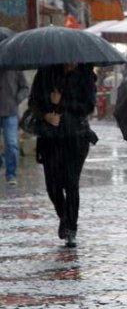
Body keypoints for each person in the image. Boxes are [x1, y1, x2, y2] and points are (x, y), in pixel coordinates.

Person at [27, 63, 98, 248]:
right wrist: (46, 115)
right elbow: (33, 102)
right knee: (53, 185)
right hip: (51, 137)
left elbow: (88, 106)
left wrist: (62, 102)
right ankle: (64, 216)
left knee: (71, 183)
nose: (71, 62)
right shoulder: (45, 72)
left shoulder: (86, 75)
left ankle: (71, 229)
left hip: (76, 137)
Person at [0, 69, 29, 185]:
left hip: (10, 111)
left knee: (11, 144)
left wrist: (16, 99)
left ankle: (11, 174)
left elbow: (25, 88)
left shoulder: (15, 68)